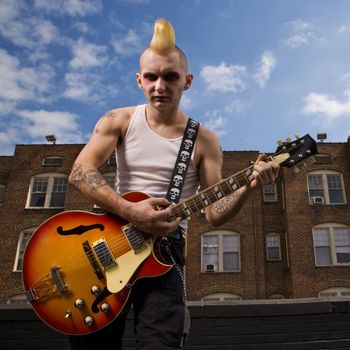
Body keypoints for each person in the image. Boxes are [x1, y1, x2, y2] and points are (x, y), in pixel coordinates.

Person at [68, 18, 280, 350]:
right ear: (139, 79)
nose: (160, 86)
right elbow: (80, 172)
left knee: (161, 344)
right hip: (113, 242)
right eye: (151, 76)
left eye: (170, 76)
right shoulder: (118, 120)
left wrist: (248, 187)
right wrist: (130, 210)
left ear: (188, 81)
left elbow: (213, 213)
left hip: (164, 254)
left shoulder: (205, 140)